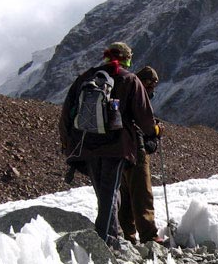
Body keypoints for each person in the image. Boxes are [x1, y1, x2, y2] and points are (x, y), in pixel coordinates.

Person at [59, 42, 159, 248]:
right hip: (115, 148)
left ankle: (110, 235)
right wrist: (154, 132)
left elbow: (66, 113)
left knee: (104, 194)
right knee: (111, 193)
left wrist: (67, 143)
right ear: (127, 58)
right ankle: (107, 240)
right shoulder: (130, 79)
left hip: (86, 146)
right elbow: (145, 118)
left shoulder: (86, 77)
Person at [118, 66, 161, 244]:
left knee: (125, 193)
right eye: (150, 85)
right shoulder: (138, 95)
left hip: (118, 150)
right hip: (136, 150)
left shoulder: (121, 92)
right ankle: (149, 235)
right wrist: (156, 130)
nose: (152, 89)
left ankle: (127, 234)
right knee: (142, 193)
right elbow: (145, 124)